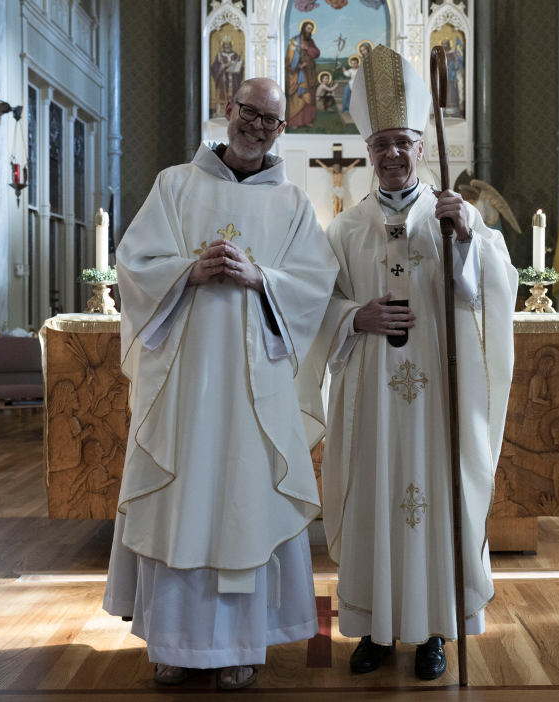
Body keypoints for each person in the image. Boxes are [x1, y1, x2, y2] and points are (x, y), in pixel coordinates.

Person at [103, 78, 340, 691]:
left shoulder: (291, 205)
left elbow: (316, 284)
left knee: (244, 501)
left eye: (273, 120)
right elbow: (134, 266)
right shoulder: (175, 184)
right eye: (250, 113)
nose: (259, 126)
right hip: (186, 385)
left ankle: (242, 643)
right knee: (186, 497)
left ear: (282, 129)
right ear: (228, 111)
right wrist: (189, 270)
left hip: (255, 390)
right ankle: (175, 642)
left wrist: (262, 279)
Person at [312, 45, 517, 681]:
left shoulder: (455, 215)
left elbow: (486, 294)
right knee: (376, 492)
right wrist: (355, 317)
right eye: (382, 145)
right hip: (372, 388)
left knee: (433, 500)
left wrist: (467, 244)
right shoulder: (347, 229)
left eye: (403, 142)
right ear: (369, 153)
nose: (393, 155)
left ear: (421, 147)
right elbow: (321, 304)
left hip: (437, 397)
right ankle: (374, 627)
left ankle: (433, 628)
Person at [286, 20, 320, 129]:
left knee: (308, 95)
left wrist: (307, 49)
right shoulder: (294, 41)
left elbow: (316, 53)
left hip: (307, 72)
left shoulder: (310, 42)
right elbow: (289, 58)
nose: (309, 31)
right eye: (308, 28)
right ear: (303, 28)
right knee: (296, 96)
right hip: (296, 73)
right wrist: (298, 65)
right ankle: (294, 121)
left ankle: (308, 120)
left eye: (311, 29)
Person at [210, 36, 244, 115]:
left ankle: (234, 112)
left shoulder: (235, 55)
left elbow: (239, 67)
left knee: (234, 95)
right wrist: (225, 65)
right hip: (223, 79)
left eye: (229, 45)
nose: (227, 46)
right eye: (225, 44)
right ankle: (221, 112)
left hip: (234, 79)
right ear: (223, 45)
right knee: (222, 94)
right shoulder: (219, 55)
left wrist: (239, 66)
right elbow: (214, 68)